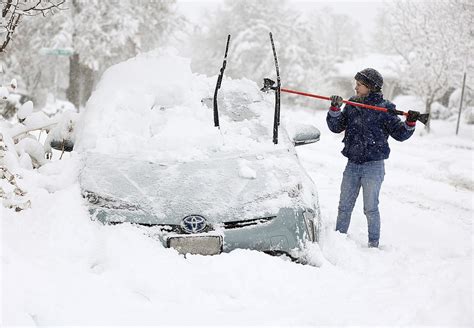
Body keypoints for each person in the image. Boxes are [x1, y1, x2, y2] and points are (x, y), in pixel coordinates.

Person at [326, 68, 419, 248]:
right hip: (352, 164)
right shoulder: (352, 104)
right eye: (356, 84)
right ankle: (338, 241)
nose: (356, 87)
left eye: (359, 85)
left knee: (370, 209)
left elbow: (400, 134)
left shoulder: (384, 109)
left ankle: (373, 244)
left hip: (373, 167)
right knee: (344, 206)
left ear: (370, 87)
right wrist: (335, 109)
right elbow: (337, 126)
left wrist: (410, 123)